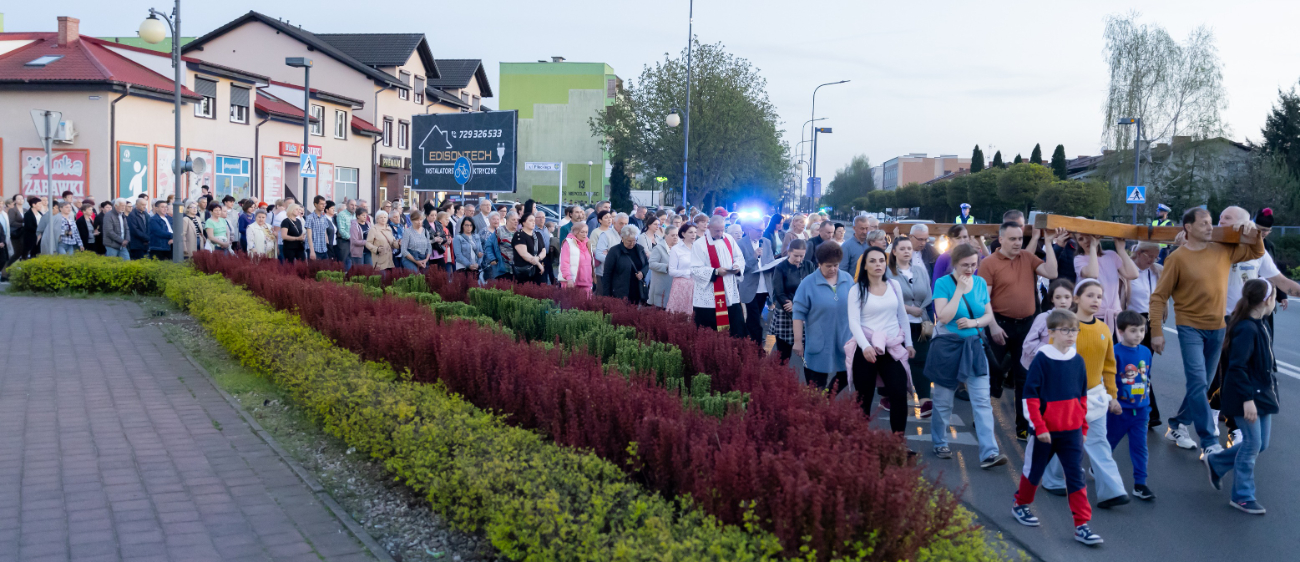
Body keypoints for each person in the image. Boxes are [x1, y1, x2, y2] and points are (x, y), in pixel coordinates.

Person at [1149, 207, 1263, 454]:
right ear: (1188, 228)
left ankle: (1178, 423)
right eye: (1204, 224)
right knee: (1198, 382)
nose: (1211, 227)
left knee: (1202, 385)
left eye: (1211, 222)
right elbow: (1159, 297)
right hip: (1190, 328)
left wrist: (1254, 232)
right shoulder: (1177, 258)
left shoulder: (1222, 250)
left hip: (1218, 328)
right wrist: (1156, 330)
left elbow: (1257, 251)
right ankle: (1210, 442)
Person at [1012, 309, 1103, 547]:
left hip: (1072, 432)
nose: (1071, 335)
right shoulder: (1042, 359)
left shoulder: (1077, 360)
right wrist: (1039, 427)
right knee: (1034, 472)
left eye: (1074, 330)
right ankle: (1020, 504)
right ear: (1051, 332)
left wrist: (1082, 428)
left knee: (1076, 477)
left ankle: (1082, 525)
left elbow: (1082, 398)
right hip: (1045, 432)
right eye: (1065, 330)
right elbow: (1029, 396)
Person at [1039, 279, 1130, 508]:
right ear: (1077, 299)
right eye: (1090, 295)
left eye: (1099, 296)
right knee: (1068, 442)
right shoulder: (1063, 327)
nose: (1096, 301)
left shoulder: (1103, 329)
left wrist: (1113, 395)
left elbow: (1109, 366)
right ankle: (1053, 479)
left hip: (1095, 396)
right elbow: (1051, 361)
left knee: (1098, 442)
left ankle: (1112, 491)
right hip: (1065, 397)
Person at [926, 242, 1007, 468]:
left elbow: (989, 315)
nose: (970, 269)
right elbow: (942, 317)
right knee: (943, 401)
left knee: (982, 401)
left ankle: (989, 453)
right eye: (965, 265)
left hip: (974, 346)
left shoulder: (980, 282)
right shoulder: (943, 283)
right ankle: (940, 442)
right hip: (949, 346)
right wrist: (959, 291)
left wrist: (974, 322)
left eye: (974, 264)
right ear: (954, 263)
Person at [979, 222, 1061, 439]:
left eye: (1020, 239)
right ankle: (983, 423)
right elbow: (984, 298)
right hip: (999, 325)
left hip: (1026, 326)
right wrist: (993, 325)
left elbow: (1052, 272)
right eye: (1013, 239)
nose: (1017, 243)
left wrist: (1050, 243)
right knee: (990, 375)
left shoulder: (1027, 257)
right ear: (1002, 239)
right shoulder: (989, 263)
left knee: (1023, 378)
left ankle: (1022, 425)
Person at [1202, 279, 1277, 515]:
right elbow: (1236, 367)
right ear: (1267, 300)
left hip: (1261, 394)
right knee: (1252, 444)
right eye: (1274, 297)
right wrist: (1247, 400)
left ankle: (1217, 462)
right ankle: (1243, 496)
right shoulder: (1246, 328)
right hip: (1245, 396)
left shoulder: (1260, 323)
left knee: (1261, 444)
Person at [846, 246, 915, 434]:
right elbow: (853, 322)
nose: (878, 264)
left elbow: (902, 315)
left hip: (892, 347)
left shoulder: (894, 285)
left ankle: (898, 443)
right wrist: (865, 346)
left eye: (881, 260)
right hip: (867, 349)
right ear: (865, 266)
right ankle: (861, 444)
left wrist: (908, 343)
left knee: (899, 393)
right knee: (864, 398)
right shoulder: (856, 290)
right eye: (873, 261)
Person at [792, 241, 854, 388]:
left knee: (845, 376)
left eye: (836, 265)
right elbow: (798, 314)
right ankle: (820, 406)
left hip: (844, 341)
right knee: (816, 385)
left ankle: (827, 402)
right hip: (818, 343)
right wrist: (798, 341)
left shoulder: (847, 279)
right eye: (828, 266)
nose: (833, 269)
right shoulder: (808, 283)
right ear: (819, 263)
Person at [1109, 310, 1155, 501]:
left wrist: (1146, 402)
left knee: (1139, 447)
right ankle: (1098, 465)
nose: (1139, 335)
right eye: (1133, 331)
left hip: (1141, 410)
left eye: (1142, 330)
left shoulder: (1145, 351)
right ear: (1120, 331)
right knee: (1108, 442)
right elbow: (1109, 379)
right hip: (1119, 410)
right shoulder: (1114, 352)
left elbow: (1147, 378)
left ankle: (1140, 483)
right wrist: (1113, 401)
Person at [886, 235, 934, 417]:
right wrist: (907, 309)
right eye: (903, 249)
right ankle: (895, 397)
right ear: (895, 251)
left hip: (920, 324)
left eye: (909, 249)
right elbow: (887, 297)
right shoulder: (888, 272)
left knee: (921, 360)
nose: (907, 252)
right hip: (897, 323)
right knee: (899, 361)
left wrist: (922, 313)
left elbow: (928, 295)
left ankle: (925, 401)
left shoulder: (920, 271)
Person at [1127, 242, 1164, 428]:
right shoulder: (1127, 269)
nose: (1153, 260)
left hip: (1151, 320)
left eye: (1156, 256)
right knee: (1136, 369)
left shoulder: (1157, 271)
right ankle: (1148, 413)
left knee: (1144, 369)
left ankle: (1147, 412)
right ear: (1139, 253)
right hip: (1133, 320)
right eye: (1149, 256)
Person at [691, 216, 746, 337]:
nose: (720, 233)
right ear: (709, 228)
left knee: (736, 331)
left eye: (722, 230)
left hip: (730, 294)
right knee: (709, 334)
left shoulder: (729, 239)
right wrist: (715, 271)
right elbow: (694, 269)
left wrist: (736, 266)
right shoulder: (699, 244)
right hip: (709, 296)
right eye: (717, 230)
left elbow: (739, 257)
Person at [1074, 234, 1139, 328]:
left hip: (1115, 315)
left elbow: (1133, 274)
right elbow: (1093, 274)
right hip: (1093, 315)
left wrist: (1121, 249)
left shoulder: (1111, 255)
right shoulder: (1079, 259)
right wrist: (1093, 247)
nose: (1085, 241)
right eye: (1080, 239)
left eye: (1088, 236)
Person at [1022, 278, 1077, 372]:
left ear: (1073, 298)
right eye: (1058, 297)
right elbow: (1029, 343)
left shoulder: (1075, 320)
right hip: (1042, 366)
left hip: (1066, 367)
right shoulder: (1044, 318)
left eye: (1067, 297)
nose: (1063, 301)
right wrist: (1047, 353)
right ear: (1052, 299)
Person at [736, 221, 775, 345]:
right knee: (754, 318)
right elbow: (741, 268)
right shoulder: (740, 244)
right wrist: (753, 256)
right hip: (749, 286)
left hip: (764, 286)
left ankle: (748, 341)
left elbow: (770, 260)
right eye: (758, 230)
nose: (761, 233)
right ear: (749, 228)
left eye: (762, 230)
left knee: (755, 318)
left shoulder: (766, 242)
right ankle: (757, 347)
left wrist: (772, 265)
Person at [599, 225, 648, 303]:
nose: (632, 243)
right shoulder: (614, 251)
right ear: (622, 238)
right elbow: (607, 274)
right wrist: (607, 295)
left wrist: (642, 273)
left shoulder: (640, 249)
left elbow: (646, 264)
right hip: (620, 291)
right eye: (629, 241)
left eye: (634, 240)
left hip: (637, 290)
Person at [666, 224, 699, 314]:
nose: (693, 235)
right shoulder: (676, 249)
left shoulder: (698, 248)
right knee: (679, 314)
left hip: (696, 285)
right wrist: (688, 272)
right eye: (690, 232)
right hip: (681, 286)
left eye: (695, 232)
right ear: (683, 234)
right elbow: (672, 271)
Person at [558, 221, 595, 293]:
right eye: (582, 232)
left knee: (587, 303)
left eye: (586, 232)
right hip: (571, 282)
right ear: (576, 232)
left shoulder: (588, 243)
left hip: (586, 281)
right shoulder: (568, 243)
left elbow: (591, 262)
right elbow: (564, 263)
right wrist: (569, 278)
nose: (585, 234)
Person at [646, 219, 675, 307]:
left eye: (677, 235)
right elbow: (651, 264)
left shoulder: (678, 249)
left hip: (673, 287)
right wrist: (666, 266)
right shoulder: (658, 248)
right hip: (661, 287)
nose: (676, 237)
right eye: (673, 235)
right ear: (666, 235)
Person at [512, 213, 548, 284]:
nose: (533, 222)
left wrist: (538, 258)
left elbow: (543, 250)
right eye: (531, 220)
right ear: (523, 222)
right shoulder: (519, 235)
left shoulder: (538, 234)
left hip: (539, 271)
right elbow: (524, 254)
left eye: (534, 220)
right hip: (525, 271)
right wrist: (538, 264)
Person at [454, 216, 483, 282]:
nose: (469, 227)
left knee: (474, 289)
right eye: (466, 225)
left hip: (475, 267)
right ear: (462, 226)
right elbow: (458, 255)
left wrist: (478, 264)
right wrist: (469, 265)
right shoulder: (458, 238)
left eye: (470, 225)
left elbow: (481, 253)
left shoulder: (476, 237)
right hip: (463, 267)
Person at [496, 212, 521, 282]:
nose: (516, 221)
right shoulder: (499, 231)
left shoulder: (519, 233)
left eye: (517, 220)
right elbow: (492, 247)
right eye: (513, 219)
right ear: (507, 220)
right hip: (503, 268)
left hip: (516, 268)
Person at [336, 199, 356, 265]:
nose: (354, 207)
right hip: (344, 242)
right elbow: (341, 230)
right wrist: (351, 238)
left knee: (354, 264)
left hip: (354, 243)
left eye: (355, 205)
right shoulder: (342, 214)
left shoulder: (355, 215)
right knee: (343, 264)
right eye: (352, 205)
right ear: (347, 205)